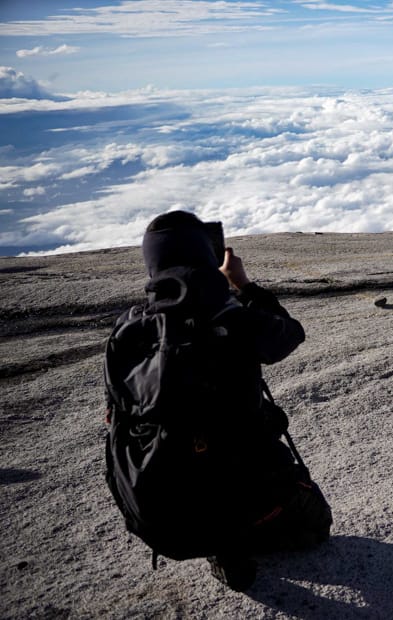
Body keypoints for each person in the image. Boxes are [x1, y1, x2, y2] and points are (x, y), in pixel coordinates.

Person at [104, 211, 332, 591]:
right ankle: (235, 537)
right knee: (316, 523)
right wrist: (241, 284)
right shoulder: (229, 317)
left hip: (163, 505)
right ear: (202, 253)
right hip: (246, 491)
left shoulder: (127, 330)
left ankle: (222, 547)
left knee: (203, 461)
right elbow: (289, 334)